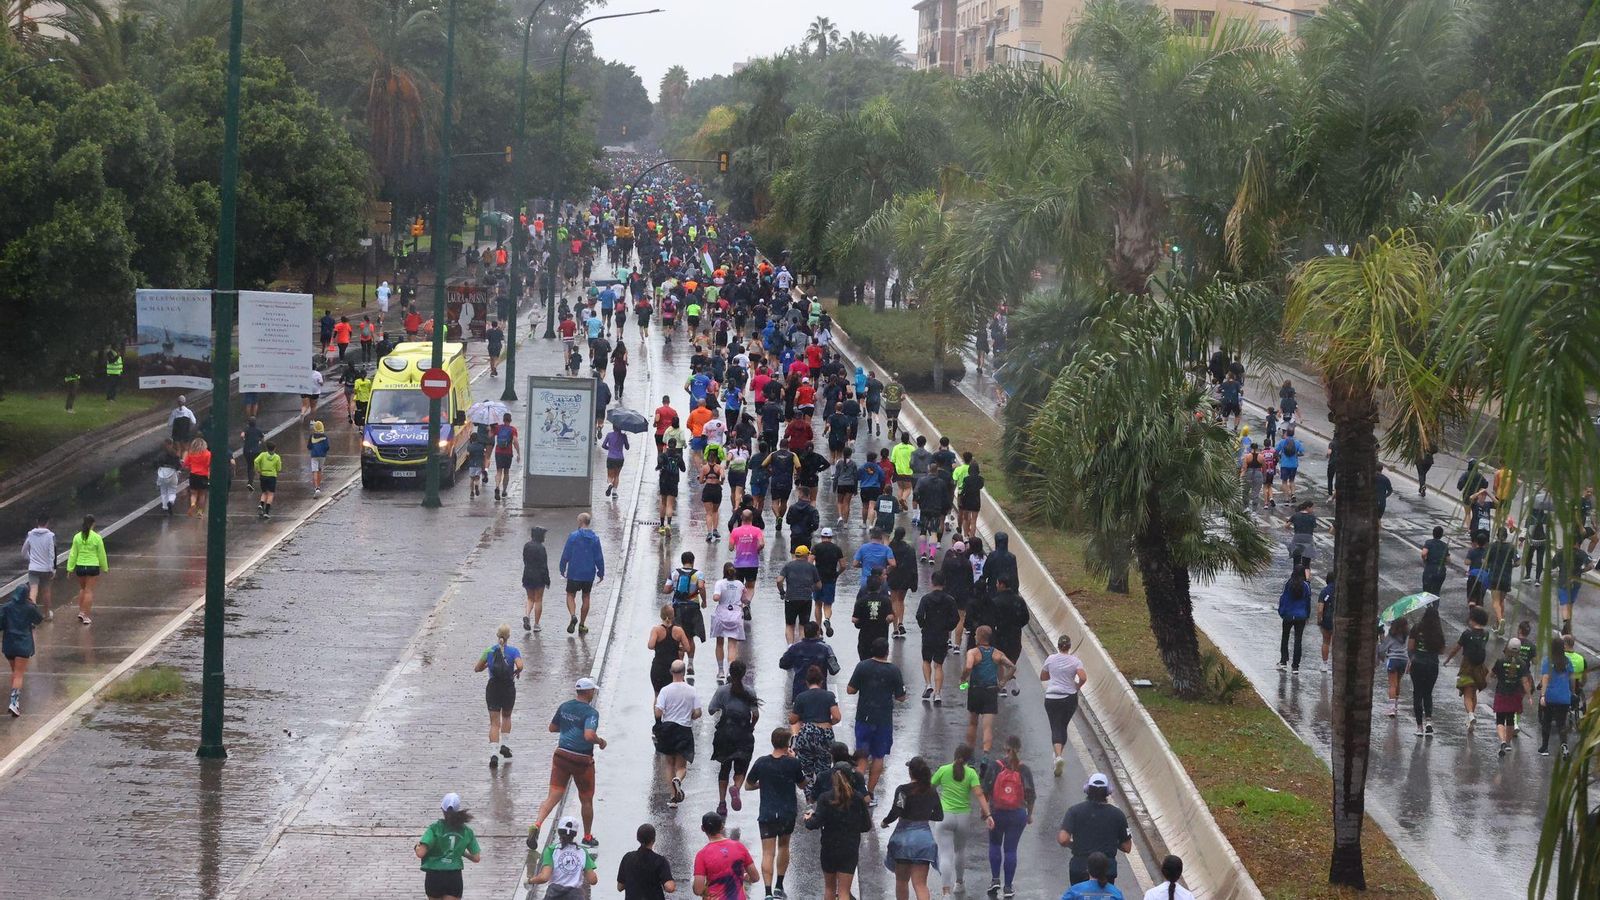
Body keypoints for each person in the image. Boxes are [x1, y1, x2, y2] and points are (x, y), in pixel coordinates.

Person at [531, 678, 606, 846]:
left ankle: (537, 825)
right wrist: (600, 741)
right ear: (587, 692)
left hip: (561, 756)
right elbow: (588, 735)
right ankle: (587, 837)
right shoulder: (591, 713)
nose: (593, 693)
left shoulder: (564, 706)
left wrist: (567, 727)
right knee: (586, 799)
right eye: (592, 691)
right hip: (582, 760)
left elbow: (552, 727)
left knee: (553, 796)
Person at [744, 727, 807, 899]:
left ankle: (767, 892)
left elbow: (748, 785)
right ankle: (779, 885)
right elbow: (802, 785)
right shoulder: (793, 763)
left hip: (767, 813)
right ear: (787, 744)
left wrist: (761, 784)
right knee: (784, 847)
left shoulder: (762, 762)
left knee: (767, 853)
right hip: (787, 812)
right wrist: (795, 759)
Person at [848, 636, 909, 798]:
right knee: (878, 756)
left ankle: (858, 791)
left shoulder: (862, 667)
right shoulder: (894, 670)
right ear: (887, 652)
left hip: (864, 717)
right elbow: (901, 697)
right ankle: (870, 791)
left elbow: (850, 690)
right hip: (883, 720)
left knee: (861, 755)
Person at [803, 761, 873, 900]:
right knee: (844, 892)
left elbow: (814, 824)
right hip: (849, 848)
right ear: (851, 778)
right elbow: (866, 826)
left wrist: (807, 818)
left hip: (829, 847)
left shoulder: (825, 798)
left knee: (829, 888)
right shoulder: (858, 798)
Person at [982, 735, 1036, 899]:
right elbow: (1031, 795)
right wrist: (1029, 814)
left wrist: (986, 813)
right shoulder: (1024, 769)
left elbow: (985, 790)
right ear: (1019, 749)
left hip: (997, 812)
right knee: (1011, 850)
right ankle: (1008, 887)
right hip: (1017, 814)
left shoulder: (995, 766)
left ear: (1005, 748)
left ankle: (995, 879)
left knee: (995, 844)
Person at [930, 745, 989, 897]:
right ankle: (959, 883)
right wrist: (988, 815)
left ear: (954, 755)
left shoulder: (943, 770)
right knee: (959, 851)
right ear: (969, 759)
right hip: (963, 817)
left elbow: (930, 788)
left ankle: (945, 891)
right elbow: (979, 794)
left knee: (945, 854)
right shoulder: (971, 773)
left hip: (944, 816)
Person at [882, 756, 944, 900]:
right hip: (924, 841)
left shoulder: (903, 790)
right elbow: (939, 815)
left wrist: (885, 822)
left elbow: (897, 810)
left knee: (902, 881)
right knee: (921, 884)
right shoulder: (932, 791)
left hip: (903, 840)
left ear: (910, 772)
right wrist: (924, 815)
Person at [1058, 773, 1132, 885]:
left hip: (1080, 867)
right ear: (1108, 791)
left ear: (1087, 789)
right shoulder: (1118, 814)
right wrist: (1111, 840)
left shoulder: (1074, 811)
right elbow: (1127, 847)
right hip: (1107, 869)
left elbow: (1063, 839)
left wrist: (1074, 844)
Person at [711, 658, 761, 817]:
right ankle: (736, 788)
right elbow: (755, 714)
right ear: (744, 674)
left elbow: (711, 710)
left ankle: (721, 803)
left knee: (724, 768)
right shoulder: (750, 692)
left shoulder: (722, 691)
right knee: (742, 765)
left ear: (730, 674)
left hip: (725, 733)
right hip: (743, 733)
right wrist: (751, 728)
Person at [472, 623, 523, 769]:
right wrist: (516, 672)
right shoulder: (513, 651)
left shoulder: (489, 651)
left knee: (494, 722)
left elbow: (477, 668)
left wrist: (488, 665)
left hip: (493, 687)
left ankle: (493, 754)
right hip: (508, 687)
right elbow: (520, 665)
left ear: (497, 635)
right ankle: (505, 745)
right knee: (506, 716)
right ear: (508, 636)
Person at [415, 793, 481, 900]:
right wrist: (462, 852)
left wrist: (416, 847)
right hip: (453, 876)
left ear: (442, 809)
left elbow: (420, 853)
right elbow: (476, 858)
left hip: (434, 876)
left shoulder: (435, 828)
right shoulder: (466, 831)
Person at [654, 659, 701, 807]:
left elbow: (658, 711)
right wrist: (690, 715)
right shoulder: (691, 690)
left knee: (669, 764)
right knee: (681, 766)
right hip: (683, 729)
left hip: (668, 728)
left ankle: (673, 797)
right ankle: (678, 779)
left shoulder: (665, 690)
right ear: (684, 671)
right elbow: (698, 712)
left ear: (671, 672)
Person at [962, 625, 1014, 758]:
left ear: (979, 637)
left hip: (975, 690)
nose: (974, 636)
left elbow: (968, 667)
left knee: (973, 723)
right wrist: (1002, 682)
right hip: (991, 691)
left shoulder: (973, 652)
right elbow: (1012, 667)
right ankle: (985, 756)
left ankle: (971, 755)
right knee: (987, 727)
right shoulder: (997, 653)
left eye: (975, 635)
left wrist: (963, 679)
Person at [787, 664, 842, 787]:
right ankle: (822, 796)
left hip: (807, 733)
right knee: (824, 768)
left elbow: (792, 720)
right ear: (821, 681)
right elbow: (837, 717)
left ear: (807, 682)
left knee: (806, 769)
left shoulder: (801, 697)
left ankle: (809, 799)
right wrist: (828, 723)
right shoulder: (829, 696)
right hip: (825, 733)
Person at [1042, 633, 1088, 776]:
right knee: (1063, 726)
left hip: (1052, 697)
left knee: (1055, 726)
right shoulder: (1076, 661)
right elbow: (1083, 677)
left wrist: (1055, 674)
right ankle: (1058, 756)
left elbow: (1043, 676)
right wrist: (1077, 686)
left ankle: (1058, 757)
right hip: (1069, 698)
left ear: (1058, 646)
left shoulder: (1051, 659)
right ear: (1069, 647)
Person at [692, 810, 758, 900]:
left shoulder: (702, 855)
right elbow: (755, 877)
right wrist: (743, 877)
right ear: (722, 827)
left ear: (703, 828)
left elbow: (698, 890)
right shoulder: (739, 847)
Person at [916, 571, 961, 702]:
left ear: (932, 582)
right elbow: (956, 618)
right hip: (942, 635)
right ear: (944, 584)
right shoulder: (950, 600)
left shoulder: (925, 599)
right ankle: (938, 693)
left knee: (926, 661)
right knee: (939, 665)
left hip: (928, 634)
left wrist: (923, 625)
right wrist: (947, 627)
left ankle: (928, 684)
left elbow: (919, 615)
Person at [1443, 605, 1490, 729]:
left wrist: (1448, 659)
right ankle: (1470, 719)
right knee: (1474, 694)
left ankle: (1470, 714)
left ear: (1473, 619)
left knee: (1467, 695)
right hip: (1480, 668)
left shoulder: (1467, 634)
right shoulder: (1486, 634)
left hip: (1467, 667)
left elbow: (1456, 648)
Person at [528, 816, 599, 899]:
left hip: (554, 895)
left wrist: (530, 881)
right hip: (575, 896)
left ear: (559, 832)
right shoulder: (582, 851)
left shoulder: (551, 850)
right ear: (575, 834)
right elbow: (593, 880)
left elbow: (544, 877)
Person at [559, 513, 605, 634]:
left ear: (580, 522)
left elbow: (566, 554)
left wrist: (562, 567)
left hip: (574, 572)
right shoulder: (595, 538)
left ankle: (573, 615)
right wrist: (601, 572)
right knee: (586, 597)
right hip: (588, 573)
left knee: (570, 595)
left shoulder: (573, 537)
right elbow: (599, 557)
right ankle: (582, 624)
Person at [3, 585, 43, 716]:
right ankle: (14, 702)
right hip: (23, 643)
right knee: (19, 674)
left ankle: (15, 696)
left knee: (14, 672)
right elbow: (38, 619)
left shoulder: (6, 607)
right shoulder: (29, 608)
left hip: (9, 643)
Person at [1408, 602, 1445, 737]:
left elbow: (1411, 647)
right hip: (1432, 665)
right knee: (1428, 693)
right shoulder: (1438, 632)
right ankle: (1429, 721)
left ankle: (1419, 727)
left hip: (1418, 664)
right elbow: (1441, 651)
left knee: (1417, 693)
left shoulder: (1416, 628)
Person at [779, 621, 840, 700]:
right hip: (820, 693)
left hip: (799, 693)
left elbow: (783, 664)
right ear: (817, 632)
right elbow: (834, 669)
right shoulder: (826, 648)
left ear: (804, 632)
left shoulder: (795, 648)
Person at [1491, 638, 1531, 755]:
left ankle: (1502, 741)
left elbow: (1492, 674)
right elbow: (1525, 681)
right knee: (1510, 720)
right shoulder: (1522, 664)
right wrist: (1528, 695)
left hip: (1501, 693)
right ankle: (1508, 744)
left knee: (1499, 720)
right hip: (1515, 695)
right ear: (1519, 650)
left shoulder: (1500, 661)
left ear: (1507, 648)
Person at [618, 824, 677, 899]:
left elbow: (620, 887)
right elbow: (669, 887)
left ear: (638, 838)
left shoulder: (627, 858)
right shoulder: (660, 861)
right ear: (654, 840)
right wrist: (673, 884)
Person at [1539, 636, 1576, 756]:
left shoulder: (1547, 661)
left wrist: (1543, 695)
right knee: (1561, 723)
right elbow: (1572, 679)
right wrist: (1571, 692)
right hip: (1564, 697)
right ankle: (1564, 745)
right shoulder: (1567, 662)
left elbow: (1545, 678)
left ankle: (1544, 747)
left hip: (1550, 695)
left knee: (1547, 721)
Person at [66, 514, 107, 625]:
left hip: (80, 567)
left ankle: (81, 611)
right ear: (93, 524)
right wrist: (105, 567)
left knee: (83, 589)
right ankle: (86, 616)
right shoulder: (96, 537)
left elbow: (73, 554)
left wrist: (70, 568)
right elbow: (101, 553)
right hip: (92, 566)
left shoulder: (77, 537)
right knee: (89, 591)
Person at [710, 563, 748, 680]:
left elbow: (716, 597)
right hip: (735, 615)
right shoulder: (740, 584)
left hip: (722, 614)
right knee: (732, 645)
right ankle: (730, 672)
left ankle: (721, 670)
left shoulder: (720, 583)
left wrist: (719, 596)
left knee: (719, 643)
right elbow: (744, 598)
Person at [852, 573, 895, 663]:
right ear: (880, 587)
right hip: (881, 636)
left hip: (865, 637)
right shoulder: (886, 600)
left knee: (865, 661)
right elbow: (890, 617)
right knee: (880, 661)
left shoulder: (861, 601)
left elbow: (854, 619)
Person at [1277, 566, 1313, 674]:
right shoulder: (1306, 586)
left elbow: (1283, 598)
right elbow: (1308, 602)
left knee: (1285, 637)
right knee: (1298, 640)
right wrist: (1307, 615)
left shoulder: (1288, 583)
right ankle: (1295, 666)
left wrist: (1281, 611)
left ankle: (1283, 661)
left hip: (1288, 615)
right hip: (1300, 616)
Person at [810, 527, 846, 635]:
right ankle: (827, 619)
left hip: (818, 579)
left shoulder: (816, 548)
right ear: (831, 537)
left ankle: (818, 626)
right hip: (831, 579)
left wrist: (812, 575)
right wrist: (837, 574)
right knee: (828, 604)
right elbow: (843, 565)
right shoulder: (837, 549)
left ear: (822, 537)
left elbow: (810, 562)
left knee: (817, 603)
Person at [22, 512, 56, 619]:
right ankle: (47, 614)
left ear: (37, 522)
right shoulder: (50, 536)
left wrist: (30, 558)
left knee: (33, 591)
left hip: (33, 568)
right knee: (46, 590)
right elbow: (52, 554)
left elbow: (23, 551)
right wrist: (52, 569)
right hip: (46, 568)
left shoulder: (30, 534)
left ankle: (32, 616)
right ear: (47, 523)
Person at [1377, 618, 1411, 718]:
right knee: (1398, 683)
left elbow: (1383, 648)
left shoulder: (1391, 636)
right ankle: (1395, 706)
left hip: (1393, 660)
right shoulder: (1406, 635)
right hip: (1403, 661)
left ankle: (1391, 708)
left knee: (1392, 684)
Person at [492, 413, 519, 502]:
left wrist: (491, 427)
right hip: (508, 453)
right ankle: (504, 491)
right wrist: (518, 453)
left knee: (499, 471)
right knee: (506, 472)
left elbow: (490, 435)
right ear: (510, 420)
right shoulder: (513, 429)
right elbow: (515, 441)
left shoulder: (498, 428)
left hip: (498, 452)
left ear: (503, 420)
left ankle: (497, 487)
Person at [184, 437, 212, 518]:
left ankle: (193, 504)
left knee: (193, 494)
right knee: (202, 494)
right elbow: (209, 464)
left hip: (193, 475)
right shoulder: (207, 453)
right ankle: (200, 512)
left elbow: (186, 464)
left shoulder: (191, 453)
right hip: (203, 475)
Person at [253, 441, 282, 519]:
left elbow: (256, 461)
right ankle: (267, 511)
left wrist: (258, 469)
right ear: (274, 449)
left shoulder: (263, 455)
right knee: (271, 494)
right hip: (272, 476)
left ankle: (261, 504)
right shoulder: (277, 457)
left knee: (264, 492)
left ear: (267, 448)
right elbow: (279, 468)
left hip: (263, 475)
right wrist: (276, 470)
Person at [602, 421, 630, 499]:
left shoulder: (609, 435)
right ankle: (614, 493)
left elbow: (603, 445)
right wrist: (625, 439)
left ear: (613, 427)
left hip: (611, 457)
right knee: (617, 475)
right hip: (620, 458)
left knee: (610, 475)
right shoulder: (623, 436)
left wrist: (609, 448)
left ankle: (610, 484)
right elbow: (627, 447)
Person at [1419, 525, 1449, 595]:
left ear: (1433, 533)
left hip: (1430, 569)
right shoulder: (1444, 545)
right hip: (1441, 570)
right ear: (1441, 535)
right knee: (1436, 590)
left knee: (1426, 590)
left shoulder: (1429, 542)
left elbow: (1424, 553)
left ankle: (1428, 604)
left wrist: (1425, 559)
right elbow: (1448, 560)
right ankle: (1435, 604)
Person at [307, 420, 330, 495]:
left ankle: (316, 487)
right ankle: (319, 486)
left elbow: (309, 446)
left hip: (314, 456)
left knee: (314, 471)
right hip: (322, 456)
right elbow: (327, 447)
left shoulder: (312, 436)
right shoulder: (325, 437)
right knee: (320, 470)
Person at [465, 429, 487, 499]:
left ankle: (472, 492)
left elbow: (467, 455)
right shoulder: (481, 446)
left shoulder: (470, 446)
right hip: (479, 464)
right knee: (477, 478)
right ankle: (476, 485)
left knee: (472, 478)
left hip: (471, 464)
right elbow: (484, 455)